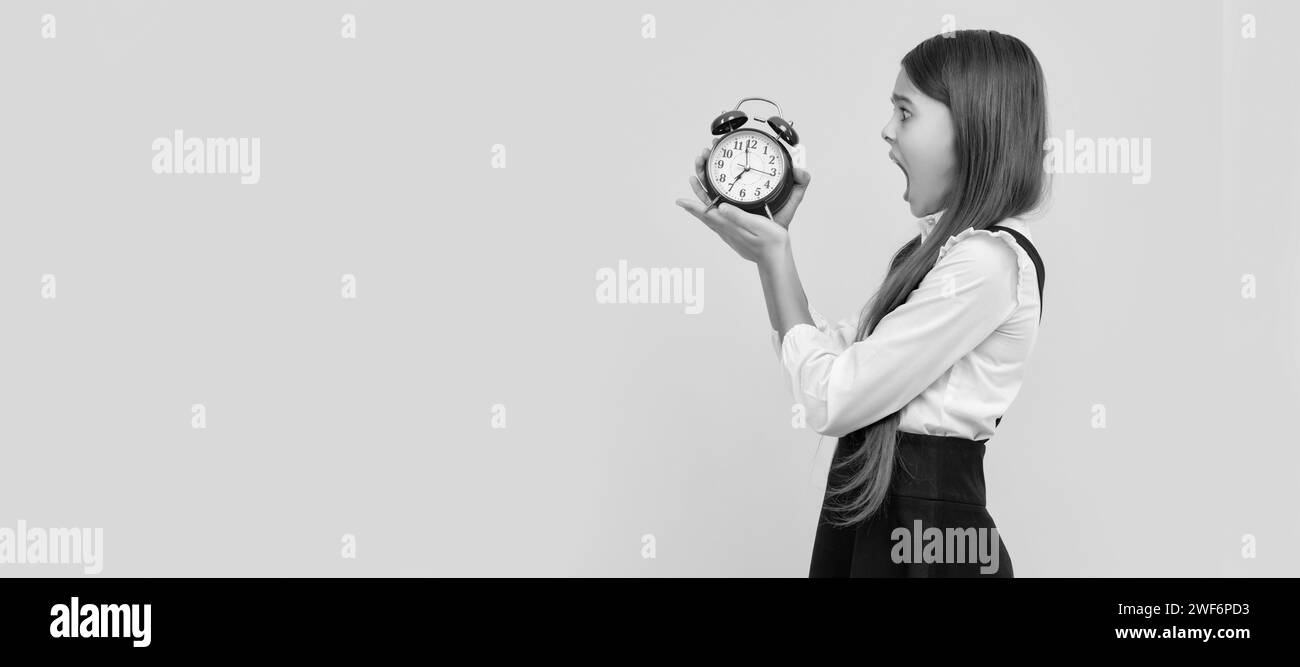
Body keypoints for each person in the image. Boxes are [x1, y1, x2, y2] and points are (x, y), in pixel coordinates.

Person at [674, 29, 1049, 577]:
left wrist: (776, 259)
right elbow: (836, 365)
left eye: (905, 112)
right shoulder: (933, 257)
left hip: (926, 542)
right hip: (883, 525)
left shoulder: (986, 264)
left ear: (971, 126)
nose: (886, 130)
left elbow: (831, 398)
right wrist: (770, 256)